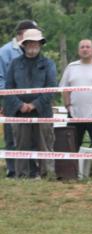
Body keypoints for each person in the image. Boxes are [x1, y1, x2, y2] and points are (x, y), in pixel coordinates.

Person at [4, 28, 56, 179]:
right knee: (20, 146)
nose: (33, 45)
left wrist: (34, 104)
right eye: (30, 42)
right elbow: (8, 89)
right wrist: (20, 105)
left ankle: (47, 176)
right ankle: (21, 177)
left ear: (41, 44)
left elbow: (51, 88)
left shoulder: (48, 64)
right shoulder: (14, 64)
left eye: (36, 42)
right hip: (19, 112)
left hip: (43, 112)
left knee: (45, 145)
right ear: (24, 44)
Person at [59, 39, 92, 180]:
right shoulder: (71, 67)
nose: (85, 49)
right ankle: (68, 176)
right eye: (82, 47)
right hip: (75, 114)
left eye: (88, 47)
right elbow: (64, 88)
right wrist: (68, 105)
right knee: (71, 146)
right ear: (79, 51)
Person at [0, 20, 40, 178]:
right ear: (23, 33)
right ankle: (13, 170)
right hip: (12, 101)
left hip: (32, 102)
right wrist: (10, 99)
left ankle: (31, 170)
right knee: (12, 136)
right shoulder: (4, 52)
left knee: (31, 136)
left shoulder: (32, 50)